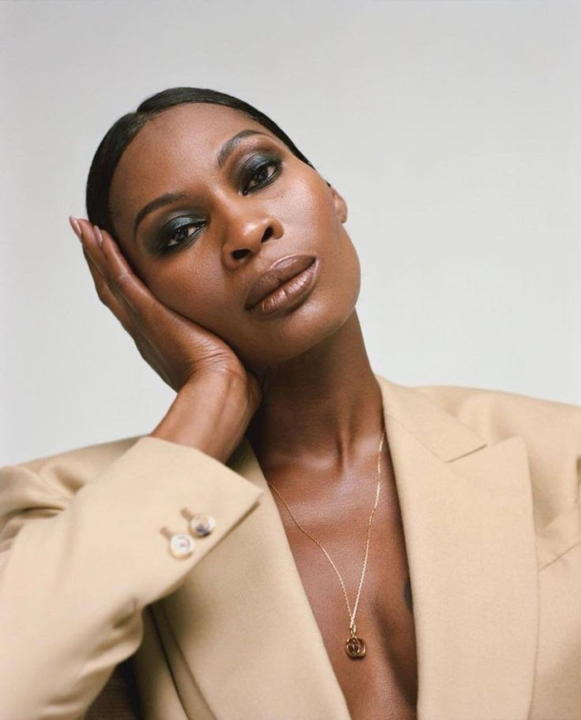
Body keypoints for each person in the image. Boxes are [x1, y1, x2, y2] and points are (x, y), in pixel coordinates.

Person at [0, 87, 579, 720]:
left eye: (258, 174)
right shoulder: (61, 511)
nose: (247, 230)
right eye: (179, 232)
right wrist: (209, 393)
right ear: (136, 298)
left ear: (330, 193)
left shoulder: (561, 463)